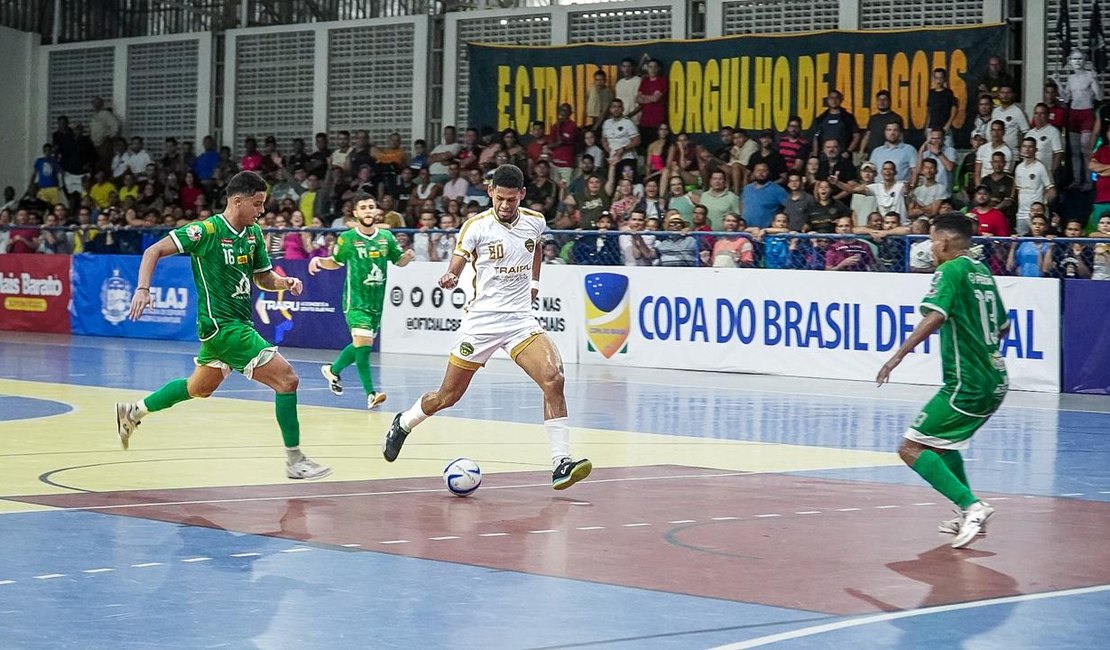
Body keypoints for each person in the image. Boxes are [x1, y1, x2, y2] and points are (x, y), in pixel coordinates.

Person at [381, 164, 593, 490]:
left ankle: (560, 463)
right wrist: (452, 275)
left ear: (521, 195)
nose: (505, 205)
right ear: (491, 192)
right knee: (447, 396)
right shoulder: (475, 226)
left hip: (520, 320)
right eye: (500, 198)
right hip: (481, 322)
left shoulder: (535, 221)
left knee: (554, 379)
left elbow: (535, 247)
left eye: (511, 199)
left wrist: (535, 282)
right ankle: (404, 422)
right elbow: (458, 261)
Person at [114, 171, 331, 480]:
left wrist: (284, 282)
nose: (261, 211)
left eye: (262, 204)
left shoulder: (254, 233)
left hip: (237, 324)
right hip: (223, 326)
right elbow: (153, 250)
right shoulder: (206, 231)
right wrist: (143, 289)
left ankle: (133, 411)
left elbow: (263, 278)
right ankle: (295, 460)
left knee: (198, 388)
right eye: (257, 204)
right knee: (287, 380)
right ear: (237, 201)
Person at [876, 212, 1008, 548]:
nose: (931, 248)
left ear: (943, 242)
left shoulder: (950, 269)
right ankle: (967, 512)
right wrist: (984, 350)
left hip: (967, 382)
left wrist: (897, 356)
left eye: (932, 240)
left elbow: (936, 314)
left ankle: (972, 506)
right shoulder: (981, 271)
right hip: (994, 377)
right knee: (941, 443)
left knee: (909, 448)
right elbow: (1004, 325)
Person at [311, 192, 415, 409]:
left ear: (377, 211)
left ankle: (333, 370)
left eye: (371, 207)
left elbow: (399, 261)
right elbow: (336, 262)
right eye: (363, 208)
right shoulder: (347, 238)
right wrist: (320, 261)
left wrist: (407, 257)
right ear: (356, 213)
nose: (368, 211)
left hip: (376, 303)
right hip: (355, 302)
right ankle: (371, 394)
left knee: (360, 345)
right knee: (365, 345)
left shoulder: (386, 238)